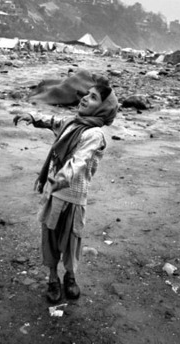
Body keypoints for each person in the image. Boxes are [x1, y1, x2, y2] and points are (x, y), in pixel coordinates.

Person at [13, 77, 118, 303]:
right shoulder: (73, 123)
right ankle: (52, 277)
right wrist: (32, 118)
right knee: (49, 237)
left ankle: (70, 276)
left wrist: (62, 177)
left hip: (73, 196)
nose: (85, 99)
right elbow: (53, 121)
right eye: (86, 94)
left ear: (103, 108)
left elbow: (81, 160)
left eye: (93, 97)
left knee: (71, 240)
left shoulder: (94, 134)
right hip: (54, 193)